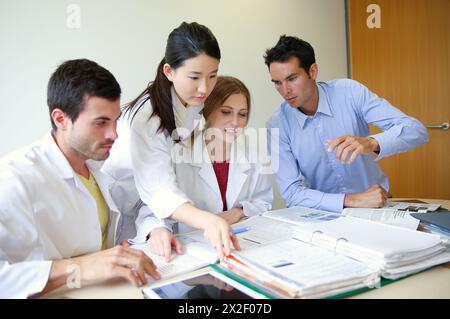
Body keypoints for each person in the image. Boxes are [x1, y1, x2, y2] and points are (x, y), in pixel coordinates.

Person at [0, 59, 160, 299]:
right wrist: (85, 267)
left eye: (115, 120)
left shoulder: (97, 166)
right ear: (60, 119)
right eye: (101, 122)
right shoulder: (14, 178)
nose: (113, 134)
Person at [102, 22, 239, 259]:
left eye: (213, 76)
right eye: (194, 77)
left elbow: (166, 180)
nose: (204, 88)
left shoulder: (191, 104)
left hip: (151, 213)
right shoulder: (146, 119)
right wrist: (208, 221)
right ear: (169, 71)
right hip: (120, 212)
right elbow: (159, 190)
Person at [264, 35, 428, 213]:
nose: (285, 90)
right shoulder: (276, 126)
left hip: (377, 206)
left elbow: (416, 131)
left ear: (312, 71)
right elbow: (291, 193)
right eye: (277, 83)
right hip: (323, 214)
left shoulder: (349, 92)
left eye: (292, 78)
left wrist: (372, 142)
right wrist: (353, 200)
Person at [145, 76, 273, 261]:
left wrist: (238, 212)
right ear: (208, 110)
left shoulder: (253, 156)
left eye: (242, 114)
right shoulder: (180, 152)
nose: (235, 122)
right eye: (226, 112)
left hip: (241, 249)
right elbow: (152, 203)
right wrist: (156, 229)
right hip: (191, 253)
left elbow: (264, 201)